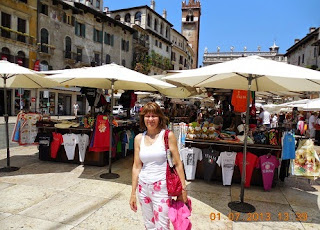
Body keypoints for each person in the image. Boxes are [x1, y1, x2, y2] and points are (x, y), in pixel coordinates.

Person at [129, 102, 188, 230]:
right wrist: (133, 193)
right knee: (149, 225)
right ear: (143, 118)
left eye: (154, 116)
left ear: (160, 118)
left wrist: (183, 189)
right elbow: (136, 166)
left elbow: (178, 163)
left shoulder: (167, 135)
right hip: (143, 187)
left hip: (161, 187)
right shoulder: (139, 138)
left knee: (162, 226)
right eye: (147, 116)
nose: (150, 119)